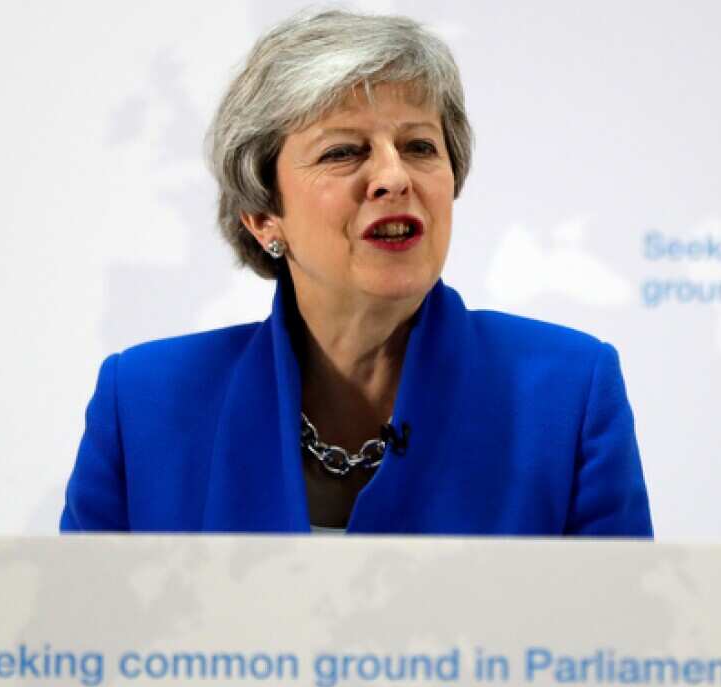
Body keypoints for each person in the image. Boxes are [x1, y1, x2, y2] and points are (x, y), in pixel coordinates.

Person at [60, 10, 652, 536]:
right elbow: (75, 646)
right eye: (343, 151)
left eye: (420, 147)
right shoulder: (142, 403)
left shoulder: (569, 391)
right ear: (265, 216)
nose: (394, 177)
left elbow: (626, 646)